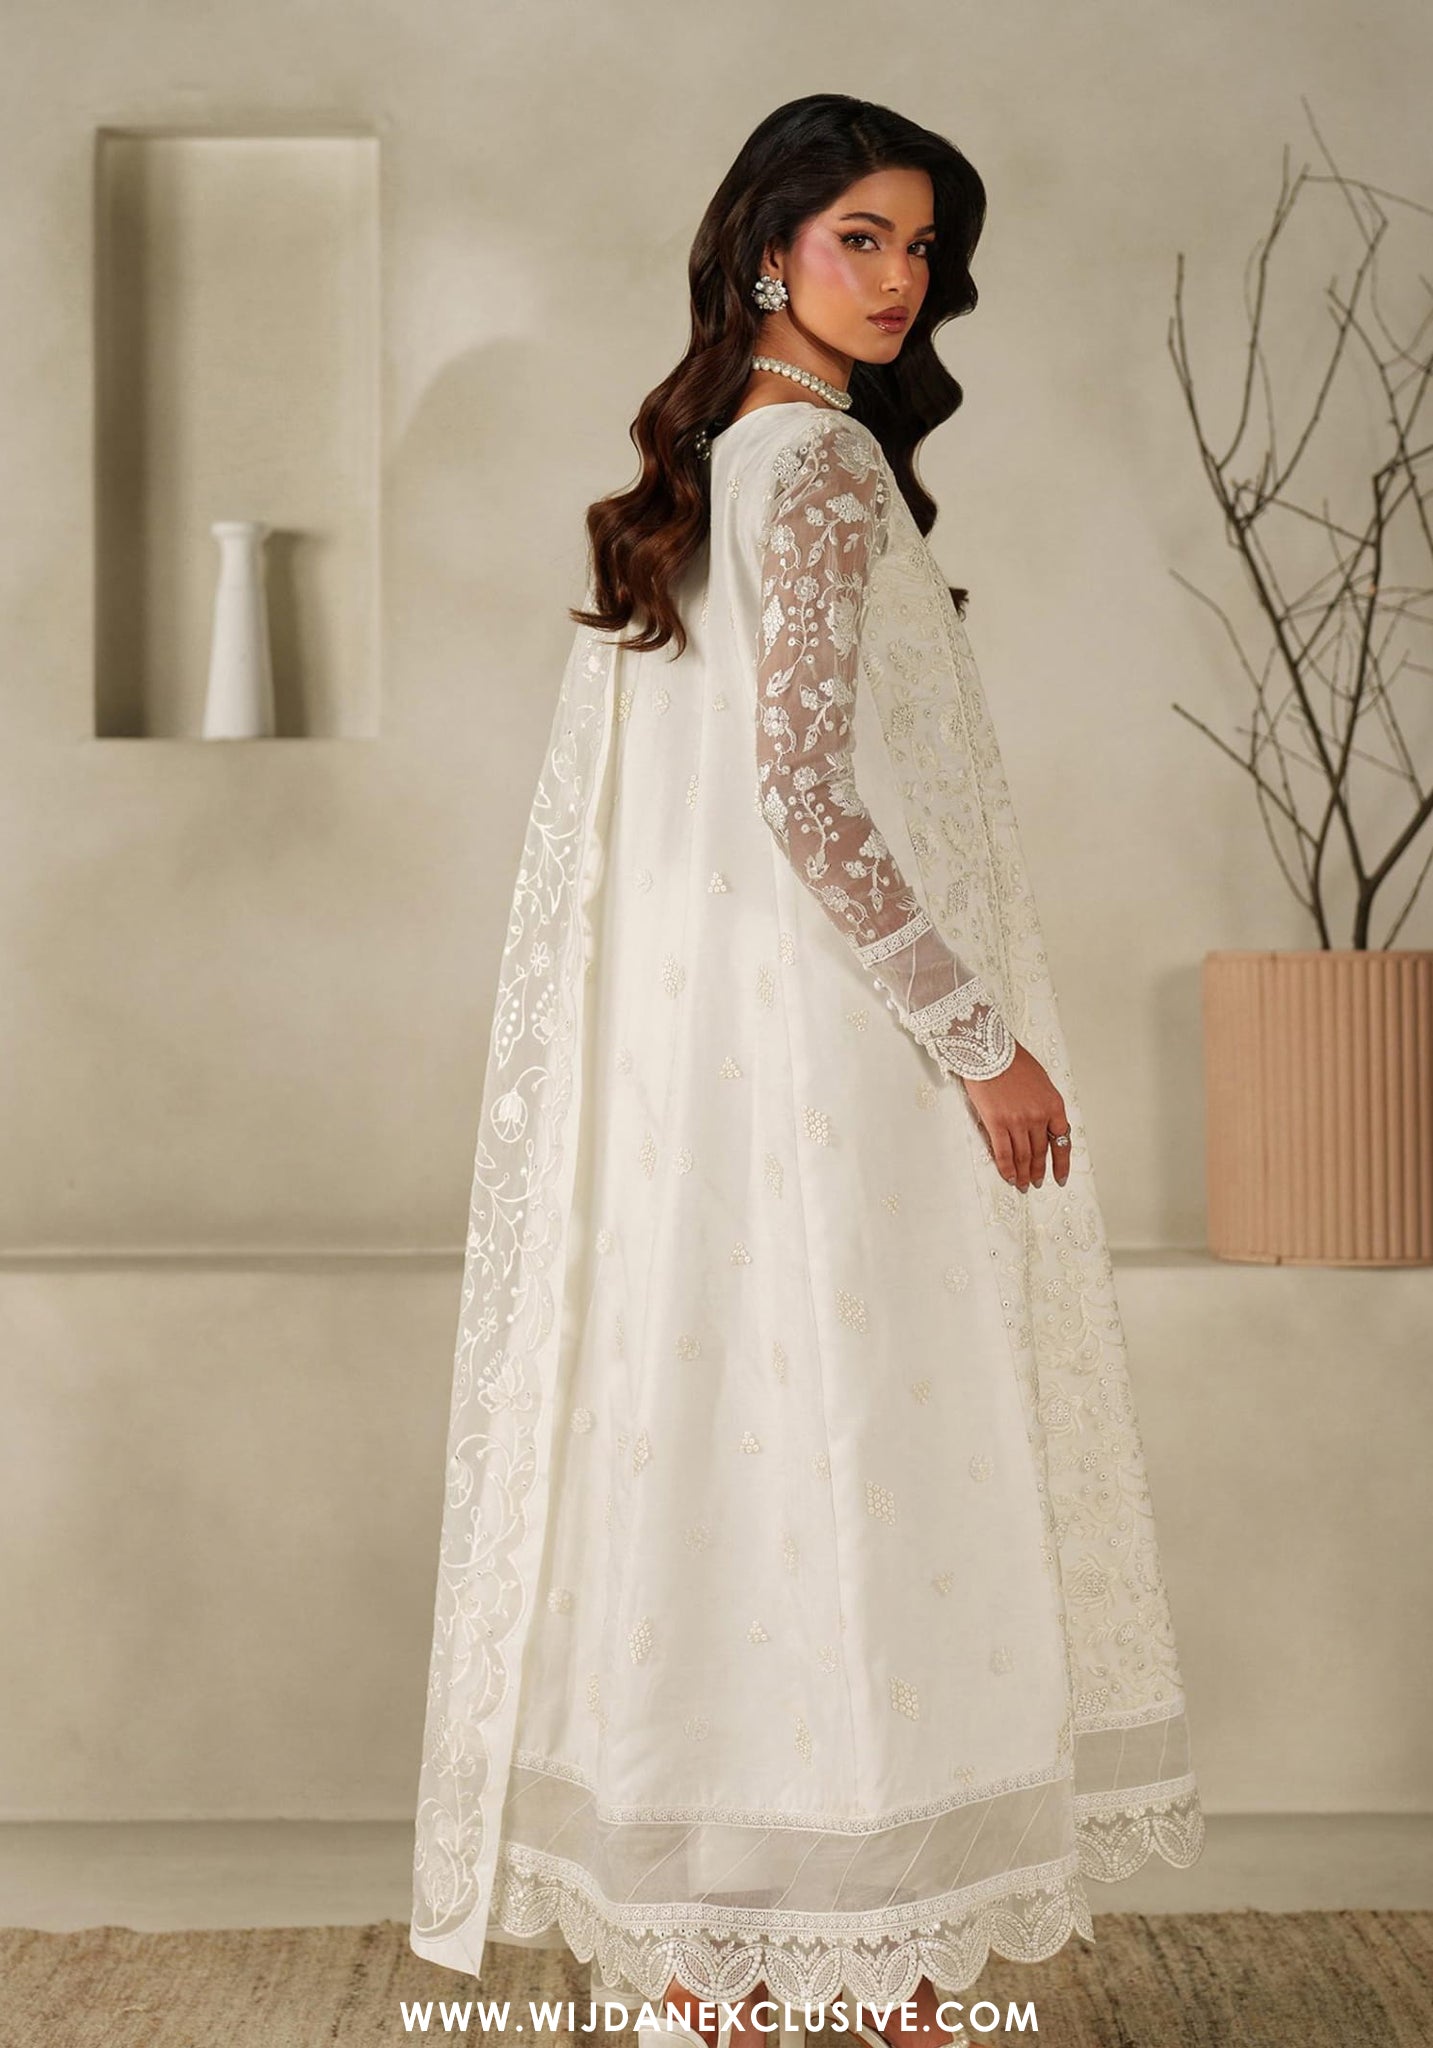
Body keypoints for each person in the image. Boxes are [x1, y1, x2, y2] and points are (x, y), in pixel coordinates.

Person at [409, 92, 1205, 2048]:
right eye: (864, 236)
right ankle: (876, 1960)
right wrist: (979, 1040)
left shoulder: (716, 464)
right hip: (838, 1068)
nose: (902, 277)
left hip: (713, 1073)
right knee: (870, 1463)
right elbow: (806, 801)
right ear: (769, 247)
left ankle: (723, 1963)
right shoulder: (822, 468)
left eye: (922, 248)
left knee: (737, 1457)